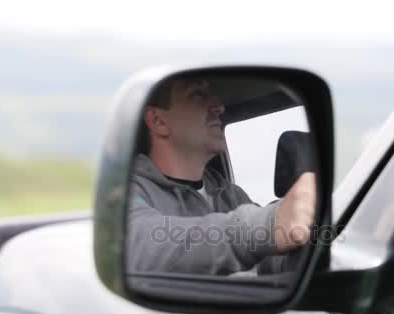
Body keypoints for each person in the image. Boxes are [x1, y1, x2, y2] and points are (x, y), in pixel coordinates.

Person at [126, 77, 316, 276]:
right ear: (158, 121)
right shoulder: (130, 192)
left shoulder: (231, 195)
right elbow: (142, 243)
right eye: (197, 95)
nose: (219, 107)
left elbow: (269, 260)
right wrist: (272, 224)